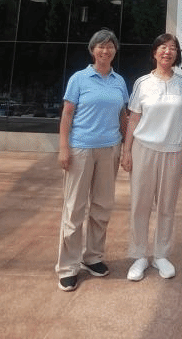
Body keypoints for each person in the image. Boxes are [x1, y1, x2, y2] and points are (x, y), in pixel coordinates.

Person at [55, 29, 128, 292]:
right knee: (74, 209)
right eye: (100, 46)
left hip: (109, 149)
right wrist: (63, 148)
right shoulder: (79, 79)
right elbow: (67, 115)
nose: (105, 51)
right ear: (92, 50)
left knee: (102, 206)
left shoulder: (119, 81)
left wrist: (126, 148)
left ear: (115, 51)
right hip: (81, 150)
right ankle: (68, 267)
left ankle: (93, 257)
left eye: (110, 46)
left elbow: (123, 116)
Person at [120, 34, 182, 281]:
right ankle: (139, 255)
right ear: (154, 52)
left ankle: (161, 254)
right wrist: (127, 151)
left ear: (177, 54)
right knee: (140, 203)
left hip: (173, 150)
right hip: (144, 148)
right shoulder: (143, 83)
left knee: (166, 206)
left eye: (172, 48)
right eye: (163, 47)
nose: (167, 51)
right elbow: (133, 119)